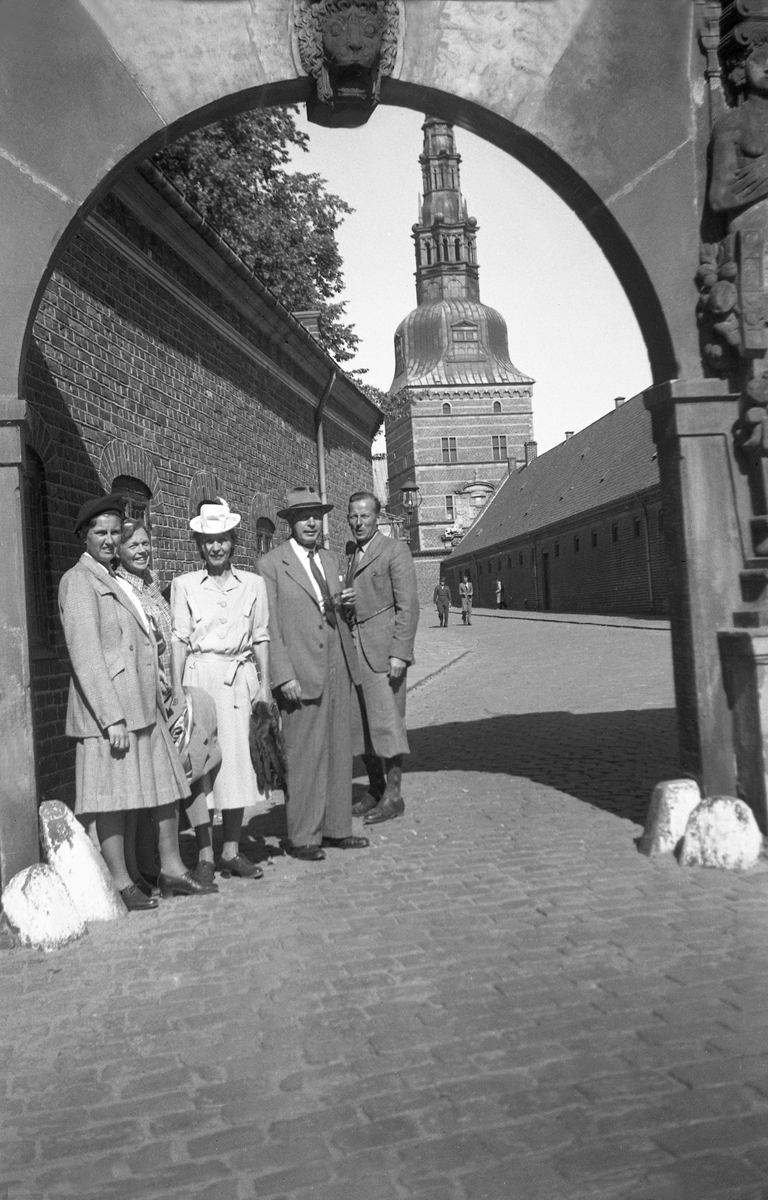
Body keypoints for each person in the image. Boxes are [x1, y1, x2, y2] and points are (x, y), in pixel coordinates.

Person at [58, 494, 215, 911]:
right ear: (83, 537)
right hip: (109, 713)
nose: (110, 540)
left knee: (165, 788)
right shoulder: (78, 581)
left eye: (114, 532)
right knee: (112, 800)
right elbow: (87, 656)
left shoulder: (116, 578)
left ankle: (171, 869)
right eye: (100, 533)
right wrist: (111, 719)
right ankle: (121, 881)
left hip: (145, 705)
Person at [257, 486, 369, 860]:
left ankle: (337, 829)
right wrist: (282, 674)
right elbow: (268, 626)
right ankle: (304, 836)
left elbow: (336, 614)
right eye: (301, 517)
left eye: (315, 516)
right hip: (300, 669)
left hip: (337, 663)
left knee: (339, 751)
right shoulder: (272, 565)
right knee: (304, 754)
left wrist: (347, 605)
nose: (310, 523)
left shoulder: (331, 560)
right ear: (289, 522)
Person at [171, 499, 271, 880]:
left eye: (223, 540)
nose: (216, 547)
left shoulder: (254, 585)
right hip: (200, 680)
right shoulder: (183, 586)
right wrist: (180, 691)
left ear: (233, 542)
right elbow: (180, 638)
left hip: (239, 680)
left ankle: (231, 849)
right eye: (208, 541)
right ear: (199, 544)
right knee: (202, 766)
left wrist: (264, 686)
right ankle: (205, 855)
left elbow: (261, 637)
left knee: (235, 765)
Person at [346, 491, 419, 825]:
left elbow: (408, 606)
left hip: (384, 653)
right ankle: (376, 789)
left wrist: (400, 653)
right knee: (363, 726)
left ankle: (393, 796)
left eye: (364, 516)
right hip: (356, 651)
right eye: (353, 517)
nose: (358, 522)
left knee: (388, 725)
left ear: (378, 518)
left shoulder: (394, 550)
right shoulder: (351, 555)